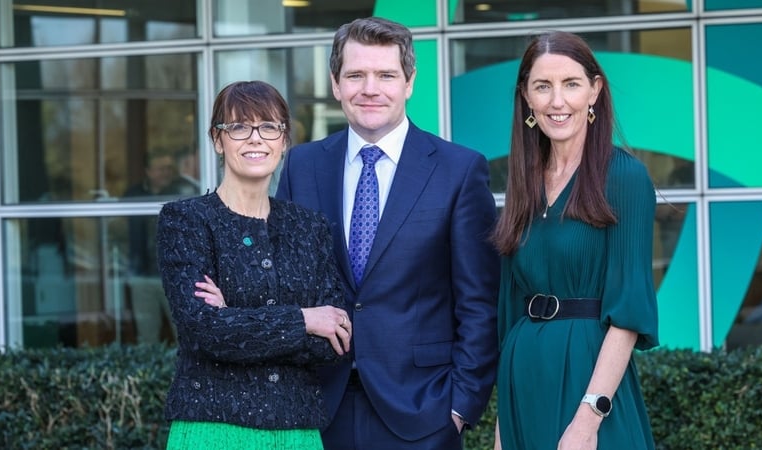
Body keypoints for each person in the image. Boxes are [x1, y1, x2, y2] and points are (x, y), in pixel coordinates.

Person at [276, 16, 500, 450]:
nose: (370, 88)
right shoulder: (302, 165)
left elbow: (479, 301)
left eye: (386, 75)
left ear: (410, 81)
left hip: (423, 413)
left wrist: (458, 409)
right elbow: (286, 283)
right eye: (356, 75)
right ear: (336, 83)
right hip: (319, 410)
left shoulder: (458, 170)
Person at [156, 80, 352, 450]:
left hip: (297, 432)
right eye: (239, 127)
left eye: (269, 127)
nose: (255, 138)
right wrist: (304, 320)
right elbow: (204, 330)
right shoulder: (186, 221)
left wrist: (233, 316)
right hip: (211, 429)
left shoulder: (309, 228)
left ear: (284, 140)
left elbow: (333, 343)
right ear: (218, 140)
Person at [491, 31, 659, 449]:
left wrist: (589, 419)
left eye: (571, 84)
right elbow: (510, 307)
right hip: (523, 381)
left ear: (595, 91)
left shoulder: (624, 178)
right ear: (526, 98)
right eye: (542, 86)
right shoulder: (524, 181)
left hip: (588, 384)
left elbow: (628, 315)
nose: (557, 101)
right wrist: (501, 427)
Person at [124, 149, 182, 343]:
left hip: (175, 276)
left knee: (183, 335)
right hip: (141, 274)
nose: (166, 173)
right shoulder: (133, 195)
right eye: (160, 169)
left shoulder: (181, 193)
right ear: (148, 171)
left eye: (169, 169)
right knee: (146, 336)